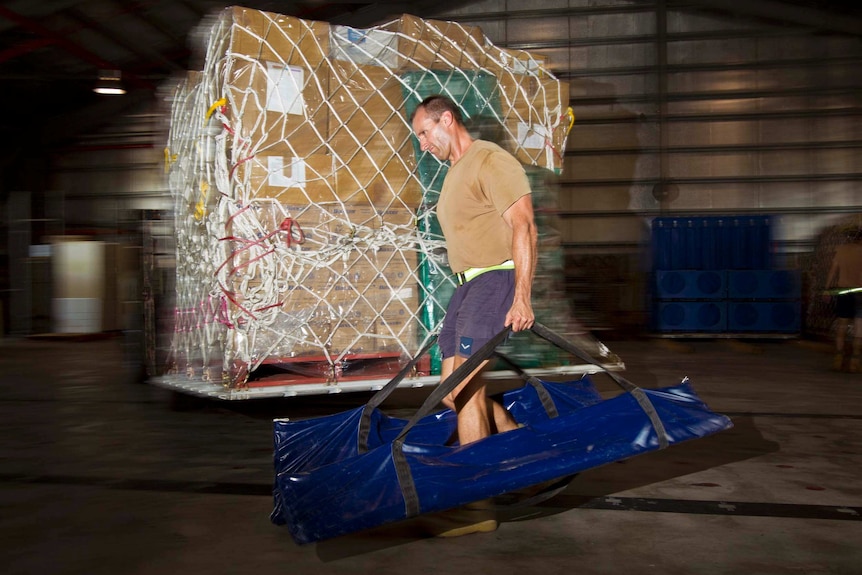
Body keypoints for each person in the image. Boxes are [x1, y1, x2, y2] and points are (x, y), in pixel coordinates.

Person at [409, 95, 537, 537]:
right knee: (453, 392)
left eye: (425, 132)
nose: (423, 144)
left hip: (494, 282)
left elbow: (524, 224)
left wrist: (522, 296)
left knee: (463, 388)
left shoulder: (489, 159)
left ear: (447, 119)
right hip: (466, 287)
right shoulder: (453, 174)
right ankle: (520, 443)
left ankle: (476, 505)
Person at [826, 233, 862, 371]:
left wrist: (827, 289)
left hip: (844, 291)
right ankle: (855, 361)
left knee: (842, 325)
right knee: (859, 328)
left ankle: (838, 358)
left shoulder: (841, 250)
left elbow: (832, 271)